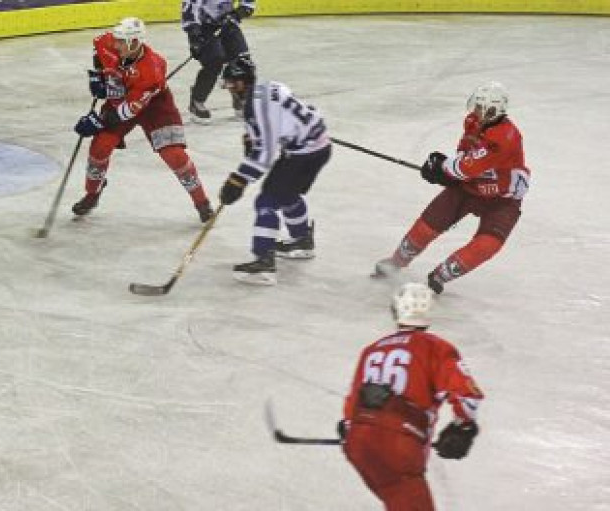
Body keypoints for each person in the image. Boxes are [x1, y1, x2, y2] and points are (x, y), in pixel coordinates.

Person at [373, 82, 530, 294]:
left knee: (487, 245)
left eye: (483, 109)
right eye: (476, 107)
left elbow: (469, 166)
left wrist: (443, 168)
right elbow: (465, 156)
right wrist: (447, 172)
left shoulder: (504, 138)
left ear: (495, 111)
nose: (477, 113)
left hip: (502, 198)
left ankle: (441, 276)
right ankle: (396, 261)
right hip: (469, 187)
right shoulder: (473, 122)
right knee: (426, 226)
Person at [339, 282, 484, 510]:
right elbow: (467, 396)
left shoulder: (372, 349)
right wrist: (462, 428)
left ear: (396, 310)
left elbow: (352, 405)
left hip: (358, 443)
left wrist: (350, 427)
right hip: (399, 444)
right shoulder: (436, 347)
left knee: (396, 500)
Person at [72, 17, 215, 223]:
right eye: (117, 39)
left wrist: (97, 121)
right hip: (122, 97)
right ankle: (92, 194)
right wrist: (98, 77)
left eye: (122, 41)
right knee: (100, 146)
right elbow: (99, 49)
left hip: (156, 108)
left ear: (136, 43)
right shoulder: (108, 42)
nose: (116, 44)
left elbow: (126, 112)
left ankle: (201, 201)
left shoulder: (152, 70)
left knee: (173, 154)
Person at [215, 55, 331, 284]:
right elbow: (286, 115)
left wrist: (238, 180)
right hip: (318, 146)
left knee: (266, 201)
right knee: (286, 194)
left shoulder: (256, 105)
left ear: (242, 82)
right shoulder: (268, 87)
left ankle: (264, 262)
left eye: (231, 84)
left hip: (304, 153)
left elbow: (265, 155)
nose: (229, 89)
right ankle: (302, 241)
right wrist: (254, 136)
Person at [180, 0, 255, 123]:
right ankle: (197, 101)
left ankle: (240, 97)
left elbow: (248, 4)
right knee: (214, 61)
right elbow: (189, 8)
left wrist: (237, 14)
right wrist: (195, 36)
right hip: (203, 27)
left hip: (228, 23)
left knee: (243, 61)